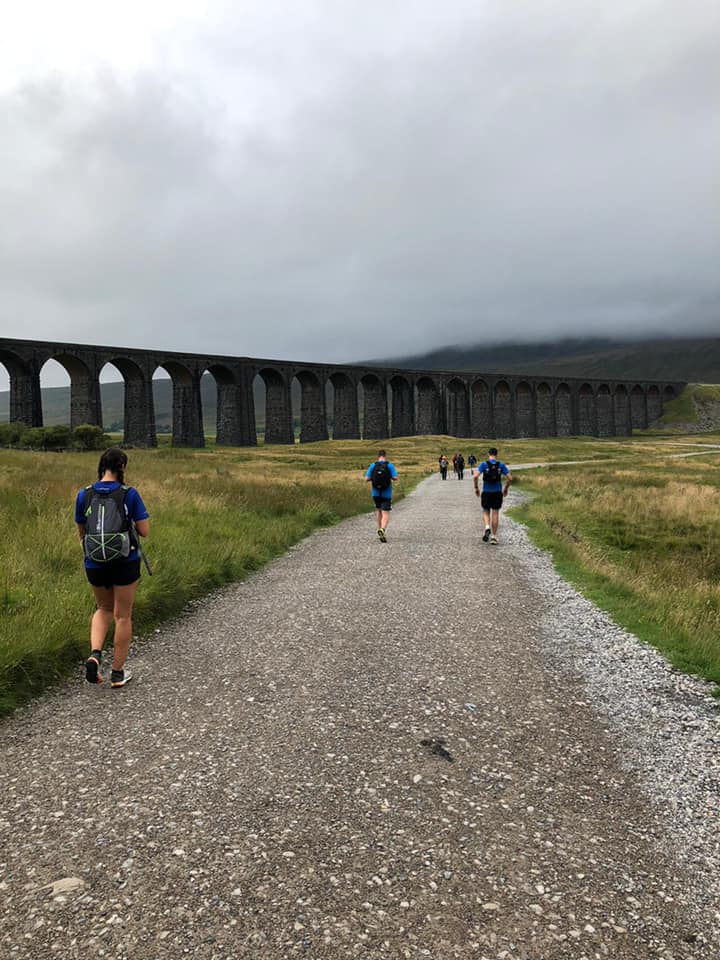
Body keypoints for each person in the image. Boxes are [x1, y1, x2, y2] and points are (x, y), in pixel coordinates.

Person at [75, 447, 149, 688]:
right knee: (122, 616)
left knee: (103, 608)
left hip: (94, 562)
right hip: (125, 561)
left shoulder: (83, 494)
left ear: (101, 466)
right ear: (122, 467)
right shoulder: (130, 494)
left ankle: (95, 654)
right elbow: (144, 532)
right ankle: (117, 673)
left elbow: (82, 532)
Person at [473, 447, 512, 545]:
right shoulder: (501, 465)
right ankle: (494, 537)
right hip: (497, 492)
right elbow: (510, 478)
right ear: (496, 455)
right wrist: (506, 488)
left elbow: (475, 476)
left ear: (488, 454)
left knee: (486, 511)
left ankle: (487, 527)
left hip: (486, 492)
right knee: (495, 513)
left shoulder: (484, 464)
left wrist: (476, 488)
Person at [365, 449, 399, 542]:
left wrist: (374, 478)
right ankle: (382, 530)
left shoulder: (373, 465)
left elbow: (366, 478)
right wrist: (389, 477)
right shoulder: (389, 465)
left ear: (378, 456)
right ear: (385, 456)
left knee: (379, 511)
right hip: (386, 493)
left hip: (375, 493)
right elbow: (395, 478)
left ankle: (380, 530)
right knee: (385, 513)